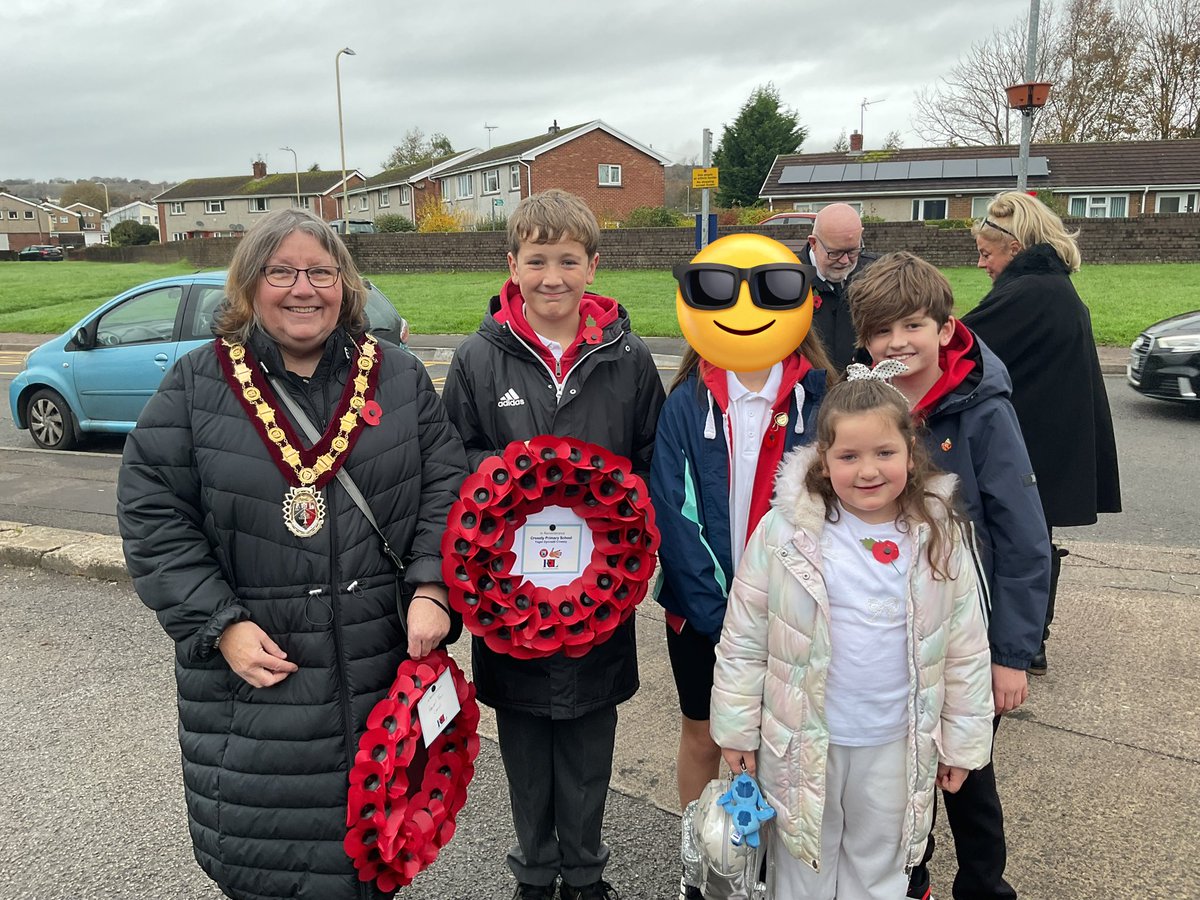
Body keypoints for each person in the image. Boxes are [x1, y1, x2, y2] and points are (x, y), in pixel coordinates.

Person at [117, 207, 468, 900]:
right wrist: (221, 624)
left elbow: (446, 490)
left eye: (320, 271)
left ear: (346, 284)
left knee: (374, 864)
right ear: (250, 285)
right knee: (273, 873)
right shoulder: (197, 385)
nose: (302, 288)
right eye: (281, 271)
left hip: (379, 672)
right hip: (255, 697)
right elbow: (153, 514)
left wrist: (432, 587)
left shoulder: (397, 378)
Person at [440, 188, 665, 900]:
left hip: (599, 597)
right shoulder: (479, 359)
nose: (553, 276)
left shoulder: (628, 361)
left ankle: (587, 871)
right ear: (513, 264)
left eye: (568, 260)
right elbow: (454, 459)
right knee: (528, 743)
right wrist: (510, 481)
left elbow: (652, 461)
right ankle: (536, 872)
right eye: (537, 260)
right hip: (510, 598)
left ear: (592, 266)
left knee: (591, 739)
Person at [710, 371, 995, 900]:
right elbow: (745, 638)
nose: (868, 471)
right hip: (801, 741)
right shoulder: (783, 532)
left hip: (895, 742)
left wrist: (962, 742)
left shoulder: (939, 533)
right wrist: (735, 729)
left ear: (911, 452)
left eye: (884, 453)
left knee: (879, 870)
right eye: (849, 456)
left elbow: (965, 648)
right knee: (802, 866)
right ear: (823, 458)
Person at [849, 251, 1050, 900]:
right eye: (882, 331)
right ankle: (909, 881)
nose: (897, 343)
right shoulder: (858, 409)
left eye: (911, 326)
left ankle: (985, 885)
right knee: (897, 780)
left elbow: (1023, 537)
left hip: (966, 641)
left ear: (944, 328)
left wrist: (1012, 653)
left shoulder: (983, 412)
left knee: (966, 774)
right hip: (884, 638)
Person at [651, 234, 834, 900]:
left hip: (792, 616)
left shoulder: (824, 400)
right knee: (705, 733)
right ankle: (705, 857)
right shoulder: (684, 404)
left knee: (781, 742)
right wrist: (721, 615)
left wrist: (776, 610)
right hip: (702, 612)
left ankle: (770, 864)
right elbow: (675, 515)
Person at [966, 191, 1121, 675]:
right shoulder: (1050, 284)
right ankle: (1032, 640)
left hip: (1033, 442)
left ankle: (1026, 640)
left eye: (987, 254)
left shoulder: (1028, 292)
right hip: (1052, 438)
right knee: (1033, 533)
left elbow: (960, 346)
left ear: (1013, 249)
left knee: (1020, 539)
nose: (981, 263)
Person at [798, 202, 878, 370]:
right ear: (813, 243)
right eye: (834, 253)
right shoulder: (789, 280)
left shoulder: (877, 274)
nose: (844, 261)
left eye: (853, 251)